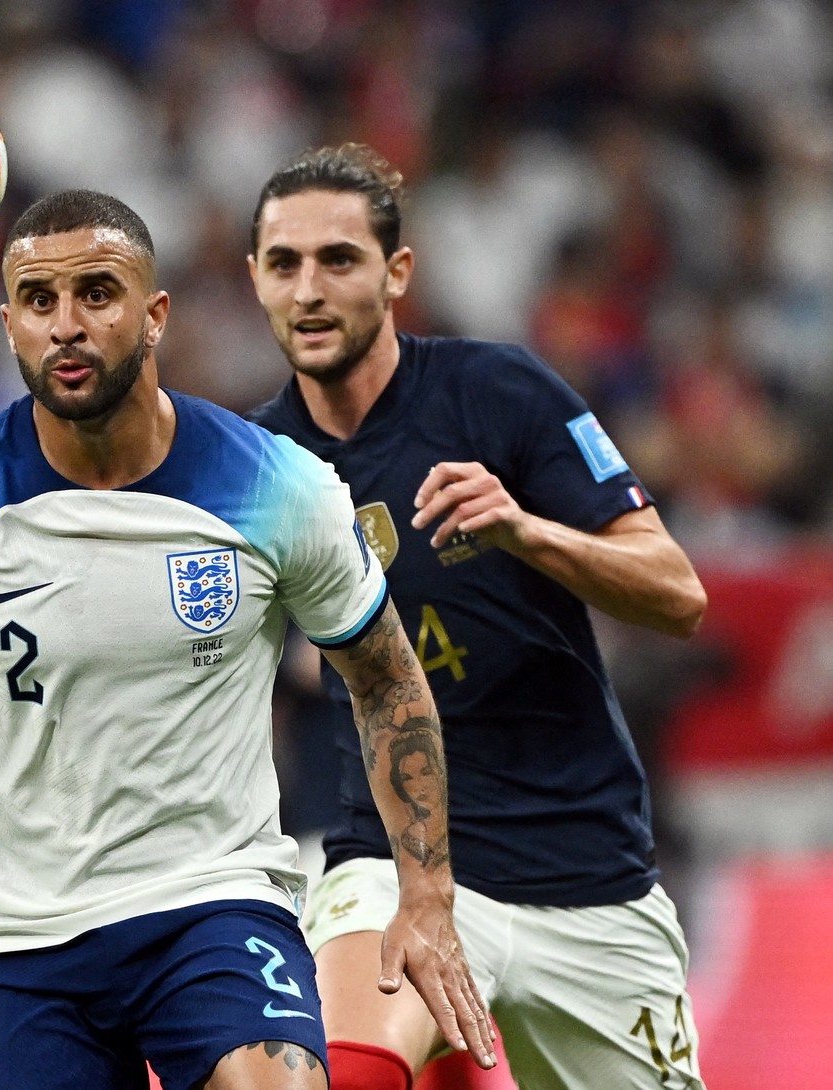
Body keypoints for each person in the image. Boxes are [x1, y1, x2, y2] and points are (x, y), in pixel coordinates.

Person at [0, 188, 497, 1090]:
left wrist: (425, 894)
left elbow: (383, 680)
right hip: (24, 939)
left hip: (213, 907)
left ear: (154, 317)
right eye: (38, 302)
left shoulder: (279, 487)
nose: (66, 325)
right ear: (8, 325)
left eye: (97, 294)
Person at [244, 143, 709, 1090]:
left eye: (338, 259)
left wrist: (525, 530)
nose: (308, 289)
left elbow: (676, 594)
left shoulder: (499, 391)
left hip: (583, 871)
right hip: (393, 863)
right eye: (283, 264)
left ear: (396, 272)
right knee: (349, 1077)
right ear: (253, 277)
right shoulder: (254, 465)